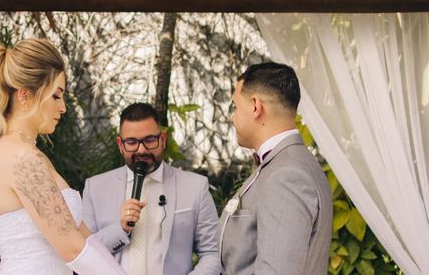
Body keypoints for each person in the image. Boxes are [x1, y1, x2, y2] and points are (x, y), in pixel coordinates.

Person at [0, 38, 126, 275]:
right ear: (25, 96)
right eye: (56, 96)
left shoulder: (26, 153)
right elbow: (70, 246)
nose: (63, 108)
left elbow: (82, 236)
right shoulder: (21, 158)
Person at [218, 62, 333, 274]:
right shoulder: (284, 163)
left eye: (235, 106)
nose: (232, 117)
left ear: (255, 106)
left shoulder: (288, 175)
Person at [82, 102, 221, 275]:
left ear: (162, 139)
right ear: (120, 144)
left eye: (149, 140)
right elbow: (84, 252)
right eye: (132, 142)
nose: (141, 150)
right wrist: (120, 228)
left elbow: (213, 253)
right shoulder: (95, 188)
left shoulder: (195, 187)